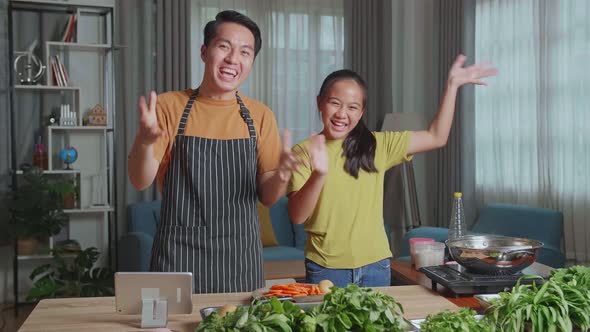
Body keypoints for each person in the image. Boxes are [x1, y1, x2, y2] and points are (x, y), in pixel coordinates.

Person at [287, 56, 497, 287]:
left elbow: (436, 136)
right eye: (334, 103)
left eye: (352, 107)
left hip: (376, 265)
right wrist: (319, 174)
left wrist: (452, 86)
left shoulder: (377, 145)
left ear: (362, 111)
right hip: (326, 267)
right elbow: (297, 215)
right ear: (320, 102)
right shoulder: (304, 151)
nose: (341, 114)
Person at [127, 10, 298, 294]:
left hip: (239, 257)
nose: (233, 59)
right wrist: (145, 141)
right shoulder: (169, 106)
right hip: (177, 255)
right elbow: (140, 180)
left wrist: (281, 175)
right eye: (224, 47)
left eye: (245, 52)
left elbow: (268, 197)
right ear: (204, 52)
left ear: (252, 61)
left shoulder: (260, 116)